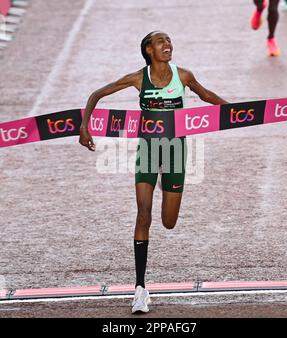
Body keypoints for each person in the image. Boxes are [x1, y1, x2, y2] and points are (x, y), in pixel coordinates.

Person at [79, 31, 228, 313]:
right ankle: (140, 289)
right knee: (143, 214)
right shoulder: (139, 78)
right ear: (149, 50)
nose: (167, 45)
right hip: (147, 152)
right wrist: (84, 126)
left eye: (169, 40)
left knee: (169, 222)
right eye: (161, 42)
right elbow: (97, 94)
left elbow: (206, 95)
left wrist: (240, 113)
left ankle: (164, 183)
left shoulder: (183, 75)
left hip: (175, 152)